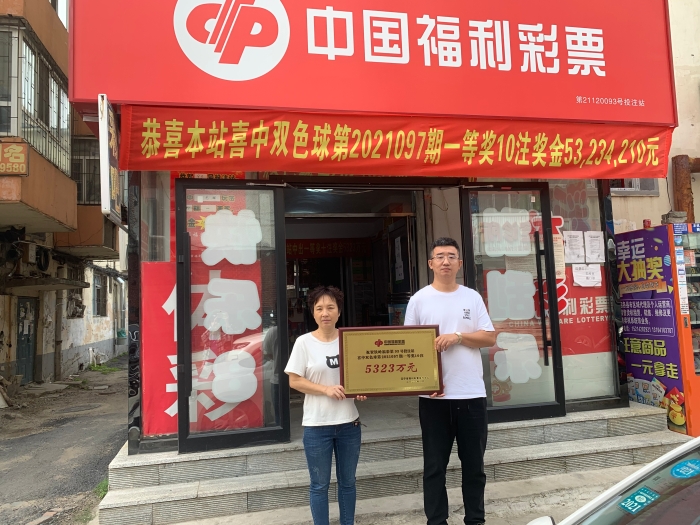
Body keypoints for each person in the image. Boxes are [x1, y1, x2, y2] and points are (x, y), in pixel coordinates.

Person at [404, 237, 497, 525]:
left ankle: (475, 520)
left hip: (471, 397)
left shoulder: (472, 297)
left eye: (451, 256)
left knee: (474, 468)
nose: (446, 261)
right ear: (431, 263)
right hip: (434, 399)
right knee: (434, 468)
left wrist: (457, 337)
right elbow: (409, 346)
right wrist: (422, 383)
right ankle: (437, 521)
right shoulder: (419, 300)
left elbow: (489, 337)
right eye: (440, 256)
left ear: (459, 263)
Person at [285, 286, 367, 525]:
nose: (325, 313)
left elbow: (362, 374)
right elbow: (294, 380)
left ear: (339, 312)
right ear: (313, 312)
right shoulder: (303, 343)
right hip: (316, 425)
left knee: (348, 483)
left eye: (331, 307)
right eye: (319, 308)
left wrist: (363, 390)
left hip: (349, 424)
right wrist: (326, 390)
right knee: (319, 485)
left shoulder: (351, 340)